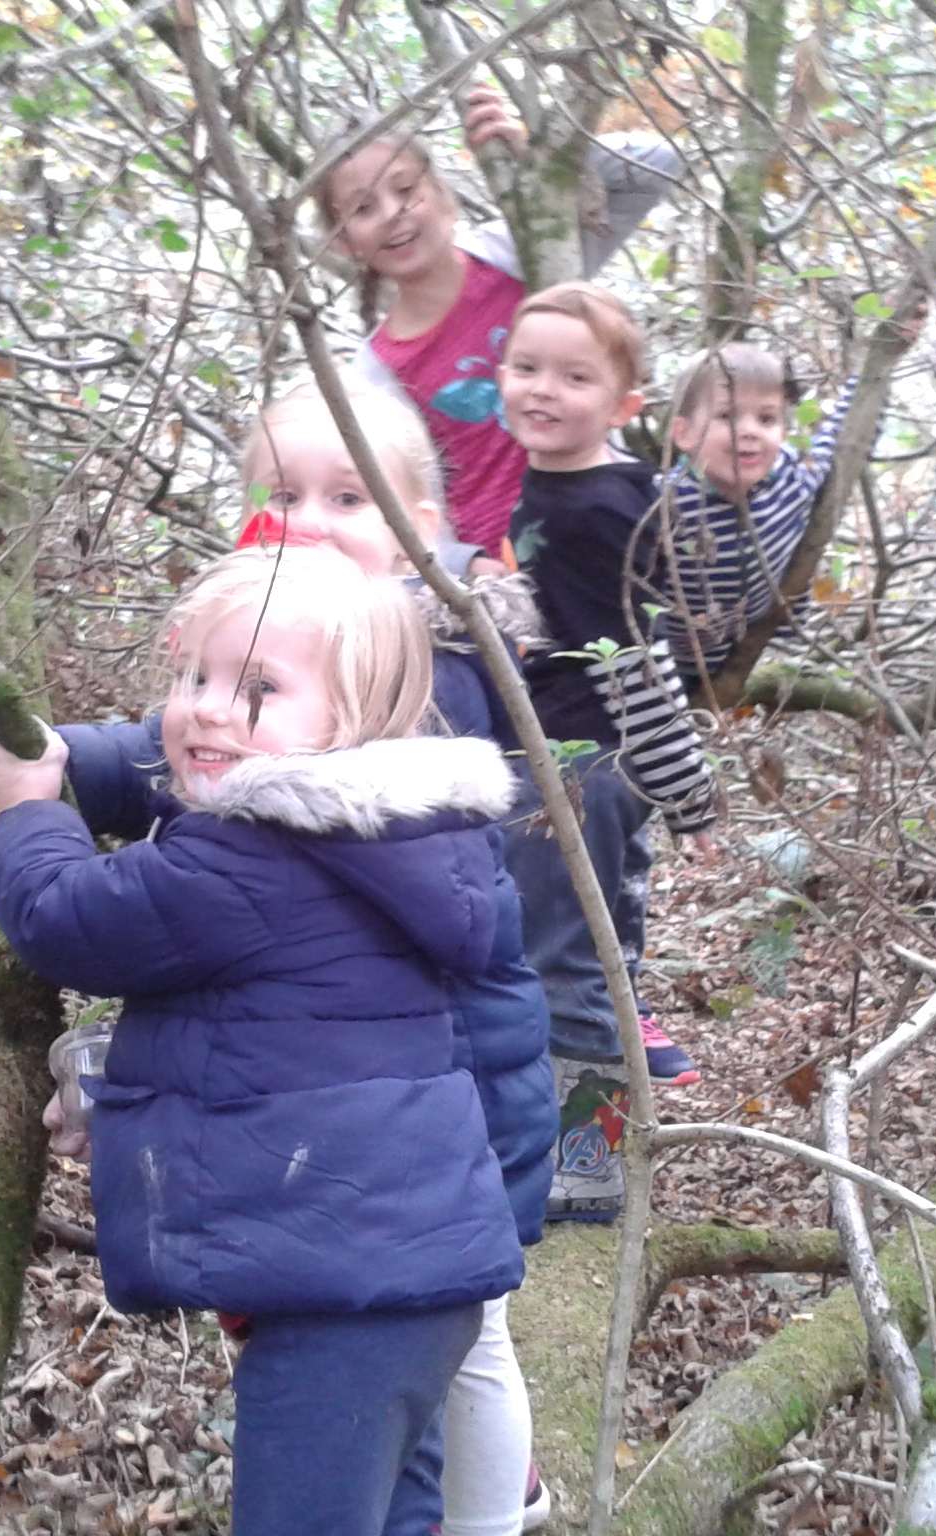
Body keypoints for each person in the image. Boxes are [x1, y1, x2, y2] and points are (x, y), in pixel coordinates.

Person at [0, 548, 527, 1536]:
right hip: (397, 1272)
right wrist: (64, 755)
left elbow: (69, 918)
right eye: (196, 678)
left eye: (257, 689)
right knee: (394, 1514)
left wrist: (27, 811)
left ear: (342, 727)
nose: (210, 708)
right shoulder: (391, 839)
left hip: (344, 1294)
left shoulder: (253, 858)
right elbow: (259, 1016)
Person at [229, 385, 557, 1533]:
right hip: (389, 1088)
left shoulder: (426, 661)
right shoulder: (281, 648)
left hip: (461, 1085)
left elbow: (292, 795)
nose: (308, 522)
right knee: (447, 1342)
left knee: (476, 1332)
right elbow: (206, 756)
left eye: (348, 496)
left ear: (421, 523)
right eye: (279, 497)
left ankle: (488, 1519)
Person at [496, 281, 714, 1220]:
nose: (542, 390)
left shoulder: (604, 512)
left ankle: (590, 1167)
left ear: (624, 406)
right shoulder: (547, 481)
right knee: (592, 952)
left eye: (575, 377)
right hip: (557, 754)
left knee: (568, 963)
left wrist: (682, 786)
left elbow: (636, 658)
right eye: (525, 367)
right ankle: (571, 1137)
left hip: (580, 763)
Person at [322, 88, 680, 557]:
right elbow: (409, 500)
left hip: (608, 524)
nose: (392, 214)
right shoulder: (378, 373)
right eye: (362, 209)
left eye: (407, 190)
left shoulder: (516, 251)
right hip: (506, 573)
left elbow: (660, 162)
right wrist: (466, 568)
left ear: (443, 194)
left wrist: (544, 162)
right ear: (344, 240)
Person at [652, 343, 861, 680]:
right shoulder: (663, 504)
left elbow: (847, 431)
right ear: (685, 433)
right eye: (726, 416)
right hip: (670, 669)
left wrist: (882, 357)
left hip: (755, 642)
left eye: (767, 418)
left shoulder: (792, 476)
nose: (749, 430)